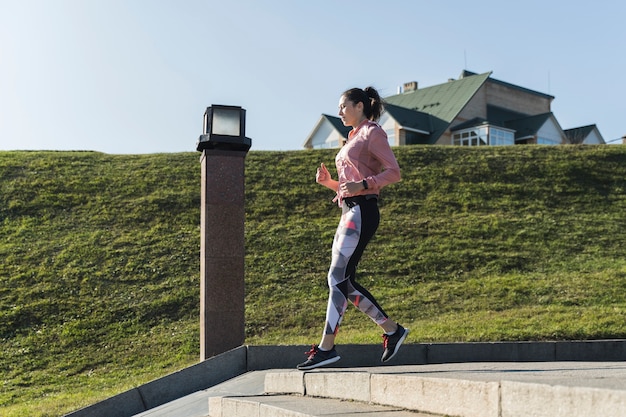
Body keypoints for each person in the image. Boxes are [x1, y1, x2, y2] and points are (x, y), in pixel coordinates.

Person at [297, 86, 409, 370]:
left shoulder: (373, 132)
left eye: (343, 106)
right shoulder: (352, 136)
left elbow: (393, 172)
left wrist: (364, 184)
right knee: (341, 282)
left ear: (359, 105)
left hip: (362, 212)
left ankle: (327, 348)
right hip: (349, 211)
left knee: (336, 277)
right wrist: (330, 184)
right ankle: (391, 329)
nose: (339, 112)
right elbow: (350, 186)